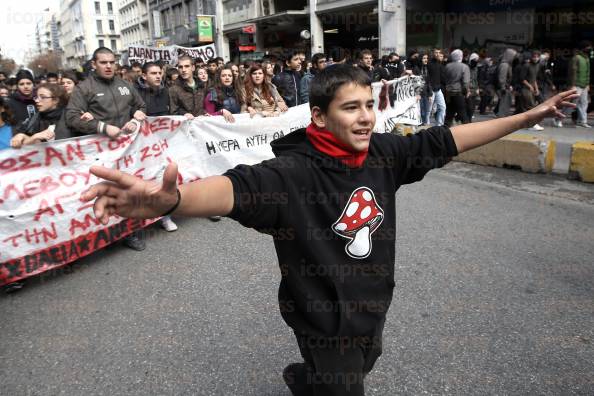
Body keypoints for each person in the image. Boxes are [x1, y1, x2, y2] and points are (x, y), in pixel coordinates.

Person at [81, 64, 578, 396]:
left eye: (369, 105)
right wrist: (172, 200)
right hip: (320, 317)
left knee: (360, 367)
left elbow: (447, 139)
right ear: (318, 114)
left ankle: (308, 379)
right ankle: (313, 376)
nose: (365, 118)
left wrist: (527, 117)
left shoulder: (385, 153)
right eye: (350, 108)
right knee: (344, 387)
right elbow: (235, 190)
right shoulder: (293, 173)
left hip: (373, 302)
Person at [65, 46, 148, 251]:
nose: (109, 66)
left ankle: (131, 232)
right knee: (105, 192)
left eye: (112, 62)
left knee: (128, 189)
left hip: (127, 150)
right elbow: (71, 117)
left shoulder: (125, 85)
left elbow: (141, 107)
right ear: (94, 64)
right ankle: (104, 233)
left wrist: (135, 120)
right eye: (103, 62)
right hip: (99, 153)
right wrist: (102, 127)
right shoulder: (84, 88)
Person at [136, 61, 178, 232]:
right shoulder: (136, 93)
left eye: (159, 73)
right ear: (144, 76)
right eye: (153, 73)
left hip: (162, 142)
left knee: (164, 178)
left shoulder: (165, 92)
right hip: (142, 145)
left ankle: (165, 216)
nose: (158, 76)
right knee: (144, 180)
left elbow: (171, 115)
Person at [11, 83, 71, 147]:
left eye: (43, 97)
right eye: (36, 97)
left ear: (56, 100)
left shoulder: (70, 118)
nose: (36, 100)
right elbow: (17, 145)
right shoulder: (33, 120)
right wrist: (32, 137)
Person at [556, 40, 592, 128]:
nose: (589, 49)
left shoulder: (586, 58)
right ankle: (558, 119)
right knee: (572, 104)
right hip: (576, 85)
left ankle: (582, 121)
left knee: (584, 103)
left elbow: (588, 73)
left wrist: (587, 84)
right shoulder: (576, 58)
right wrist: (572, 85)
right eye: (588, 47)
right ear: (583, 48)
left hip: (584, 85)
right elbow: (572, 72)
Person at [169, 55, 206, 119]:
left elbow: (206, 105)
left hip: (201, 125)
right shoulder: (173, 89)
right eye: (180, 67)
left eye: (187, 66)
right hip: (185, 125)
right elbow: (173, 111)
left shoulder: (201, 85)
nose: (183, 70)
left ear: (193, 68)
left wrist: (206, 113)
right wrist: (184, 113)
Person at [444, 49, 471, 127]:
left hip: (448, 92)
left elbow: (445, 78)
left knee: (449, 114)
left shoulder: (447, 66)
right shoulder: (464, 67)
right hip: (458, 92)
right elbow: (466, 82)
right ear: (461, 56)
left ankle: (445, 130)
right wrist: (466, 92)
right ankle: (467, 131)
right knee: (463, 113)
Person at [519, 51, 545, 130]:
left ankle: (527, 124)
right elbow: (522, 79)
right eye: (534, 56)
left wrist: (536, 89)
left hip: (532, 89)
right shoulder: (526, 65)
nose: (535, 58)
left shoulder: (537, 66)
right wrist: (530, 86)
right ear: (531, 57)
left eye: (537, 56)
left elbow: (534, 79)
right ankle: (532, 125)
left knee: (526, 107)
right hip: (525, 89)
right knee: (531, 106)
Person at [495, 48, 517, 118]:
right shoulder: (504, 65)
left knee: (504, 102)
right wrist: (503, 87)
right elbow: (502, 77)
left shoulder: (506, 64)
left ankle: (500, 114)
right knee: (504, 102)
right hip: (504, 87)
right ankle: (501, 116)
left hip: (505, 86)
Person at [427, 49, 447, 126]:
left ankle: (439, 125)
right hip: (431, 89)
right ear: (433, 53)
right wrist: (429, 90)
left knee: (442, 107)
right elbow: (427, 78)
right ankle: (426, 125)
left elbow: (442, 77)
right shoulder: (429, 64)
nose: (438, 54)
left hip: (438, 89)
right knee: (428, 110)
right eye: (436, 52)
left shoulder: (440, 64)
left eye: (439, 53)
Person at [418, 53, 433, 126]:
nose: (426, 60)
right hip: (419, 93)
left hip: (426, 92)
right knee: (421, 110)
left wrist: (430, 94)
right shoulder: (417, 68)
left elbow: (429, 82)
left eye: (426, 58)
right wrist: (417, 93)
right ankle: (421, 124)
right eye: (424, 58)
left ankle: (424, 124)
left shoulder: (427, 68)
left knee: (426, 110)